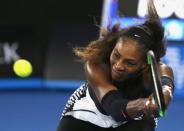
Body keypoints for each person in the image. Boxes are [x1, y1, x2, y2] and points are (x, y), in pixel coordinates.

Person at [57, 0, 174, 131]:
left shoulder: (158, 70)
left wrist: (163, 97)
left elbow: (166, 89)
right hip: (86, 112)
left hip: (133, 121)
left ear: (144, 64)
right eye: (116, 55)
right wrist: (145, 104)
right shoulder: (96, 64)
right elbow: (114, 107)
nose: (118, 65)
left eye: (130, 62)